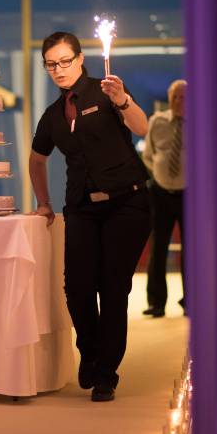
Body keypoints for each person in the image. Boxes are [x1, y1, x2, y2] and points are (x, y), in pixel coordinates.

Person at [29, 32, 151, 402]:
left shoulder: (108, 90)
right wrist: (44, 202)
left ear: (80, 59)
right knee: (77, 287)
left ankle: (106, 373)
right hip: (80, 207)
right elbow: (37, 159)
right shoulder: (52, 115)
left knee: (113, 289)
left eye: (65, 61)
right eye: (51, 64)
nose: (58, 69)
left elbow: (142, 127)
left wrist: (124, 101)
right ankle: (91, 351)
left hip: (126, 204)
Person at [141, 79, 187, 318]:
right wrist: (161, 175)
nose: (179, 101)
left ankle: (191, 301)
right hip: (160, 192)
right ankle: (156, 302)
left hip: (190, 195)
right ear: (169, 100)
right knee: (158, 248)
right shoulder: (156, 121)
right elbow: (149, 156)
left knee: (191, 250)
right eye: (175, 97)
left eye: (183, 97)